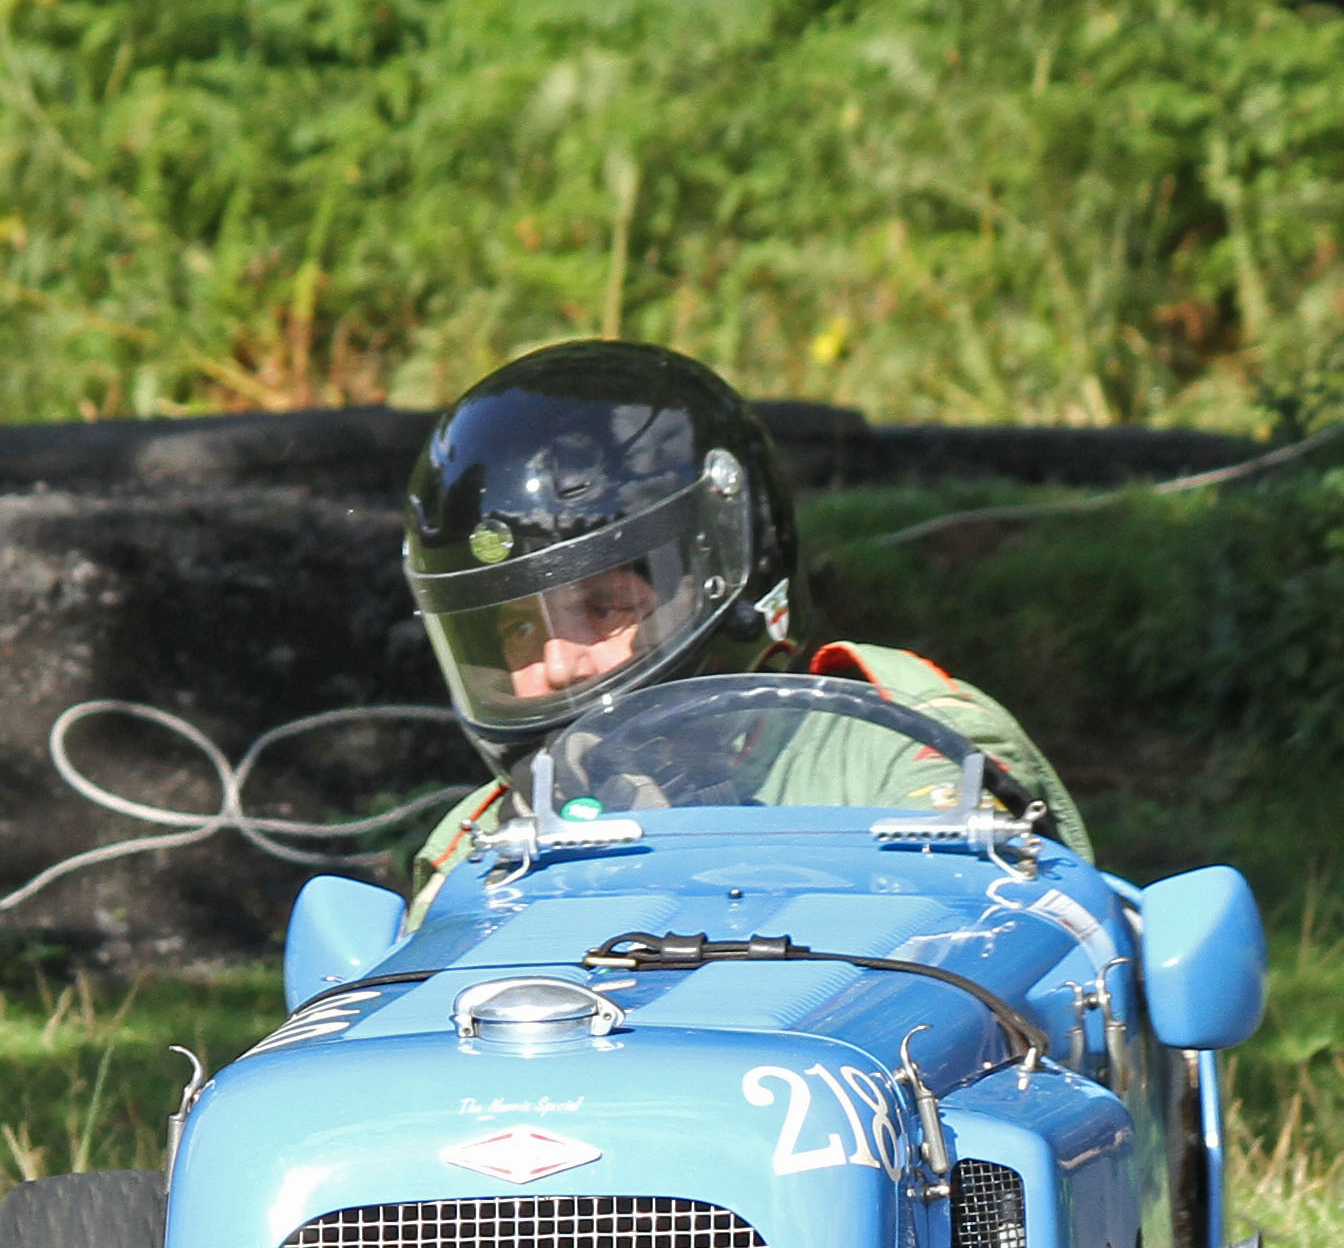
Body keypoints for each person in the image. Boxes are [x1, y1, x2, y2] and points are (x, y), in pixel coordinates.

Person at [398, 340, 1085, 914]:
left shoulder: (903, 752)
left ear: (726, 580)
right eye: (518, 631)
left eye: (603, 608)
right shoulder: (485, 842)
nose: (557, 664)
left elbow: (983, 966)